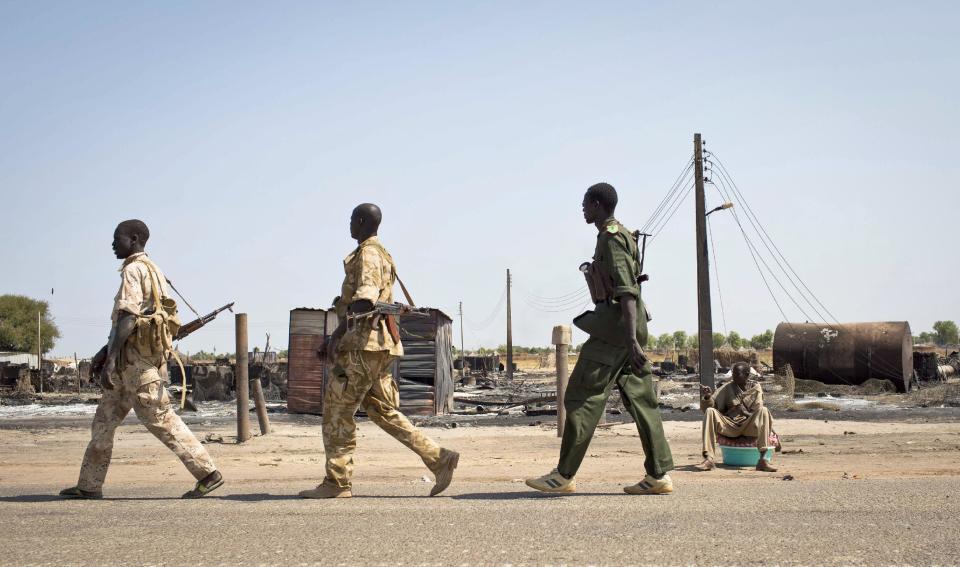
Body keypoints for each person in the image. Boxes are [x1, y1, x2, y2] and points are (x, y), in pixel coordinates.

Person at [299, 203, 459, 499]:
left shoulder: (369, 254)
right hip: (377, 346)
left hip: (363, 346)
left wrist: (338, 336)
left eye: (351, 220)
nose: (349, 225)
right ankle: (439, 458)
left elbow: (364, 301)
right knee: (382, 411)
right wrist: (337, 335)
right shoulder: (382, 254)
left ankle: (337, 482)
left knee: (337, 410)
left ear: (361, 222)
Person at [526, 183, 675, 495]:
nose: (582, 209)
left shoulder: (611, 237)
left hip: (615, 331)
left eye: (585, 204)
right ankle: (658, 475)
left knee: (580, 397)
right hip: (625, 331)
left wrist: (631, 340)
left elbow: (627, 290)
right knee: (642, 402)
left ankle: (563, 476)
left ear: (597, 204)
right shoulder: (619, 234)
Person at [60, 220, 222, 499]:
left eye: (117, 239)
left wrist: (108, 361)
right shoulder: (155, 270)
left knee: (160, 418)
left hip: (136, 365)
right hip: (131, 364)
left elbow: (128, 317)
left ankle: (208, 473)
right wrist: (105, 353)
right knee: (104, 421)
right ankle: (88, 485)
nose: (112, 244)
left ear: (133, 239)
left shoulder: (134, 271)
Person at [698, 362, 778, 472]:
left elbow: (757, 411)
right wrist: (707, 397)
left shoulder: (756, 388)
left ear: (747, 374)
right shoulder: (727, 388)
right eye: (733, 374)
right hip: (730, 426)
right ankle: (709, 459)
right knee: (710, 411)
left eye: (737, 374)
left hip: (749, 426)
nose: (734, 377)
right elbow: (713, 406)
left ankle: (763, 460)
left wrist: (742, 410)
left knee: (764, 410)